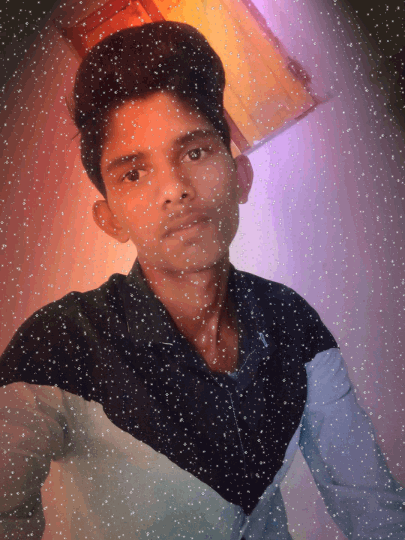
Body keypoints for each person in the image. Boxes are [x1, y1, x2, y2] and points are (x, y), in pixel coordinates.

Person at [0, 21, 404, 540]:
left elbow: (372, 505)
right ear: (110, 218)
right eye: (134, 173)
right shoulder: (61, 344)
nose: (175, 189)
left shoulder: (291, 322)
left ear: (241, 176)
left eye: (195, 152)